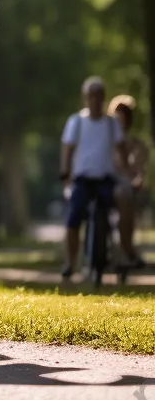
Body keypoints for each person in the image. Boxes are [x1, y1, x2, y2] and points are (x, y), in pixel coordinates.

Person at [58, 77, 130, 280]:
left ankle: (120, 255)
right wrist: (65, 172)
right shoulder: (76, 122)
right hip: (82, 178)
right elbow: (68, 150)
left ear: (104, 98)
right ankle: (70, 262)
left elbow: (121, 148)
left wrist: (125, 171)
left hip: (106, 178)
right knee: (73, 218)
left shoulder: (111, 124)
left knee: (114, 215)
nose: (95, 100)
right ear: (85, 98)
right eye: (91, 96)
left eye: (99, 96)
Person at [108, 94, 148, 270]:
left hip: (124, 184)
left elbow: (137, 169)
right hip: (106, 181)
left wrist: (137, 177)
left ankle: (127, 248)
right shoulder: (105, 141)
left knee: (125, 198)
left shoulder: (136, 145)